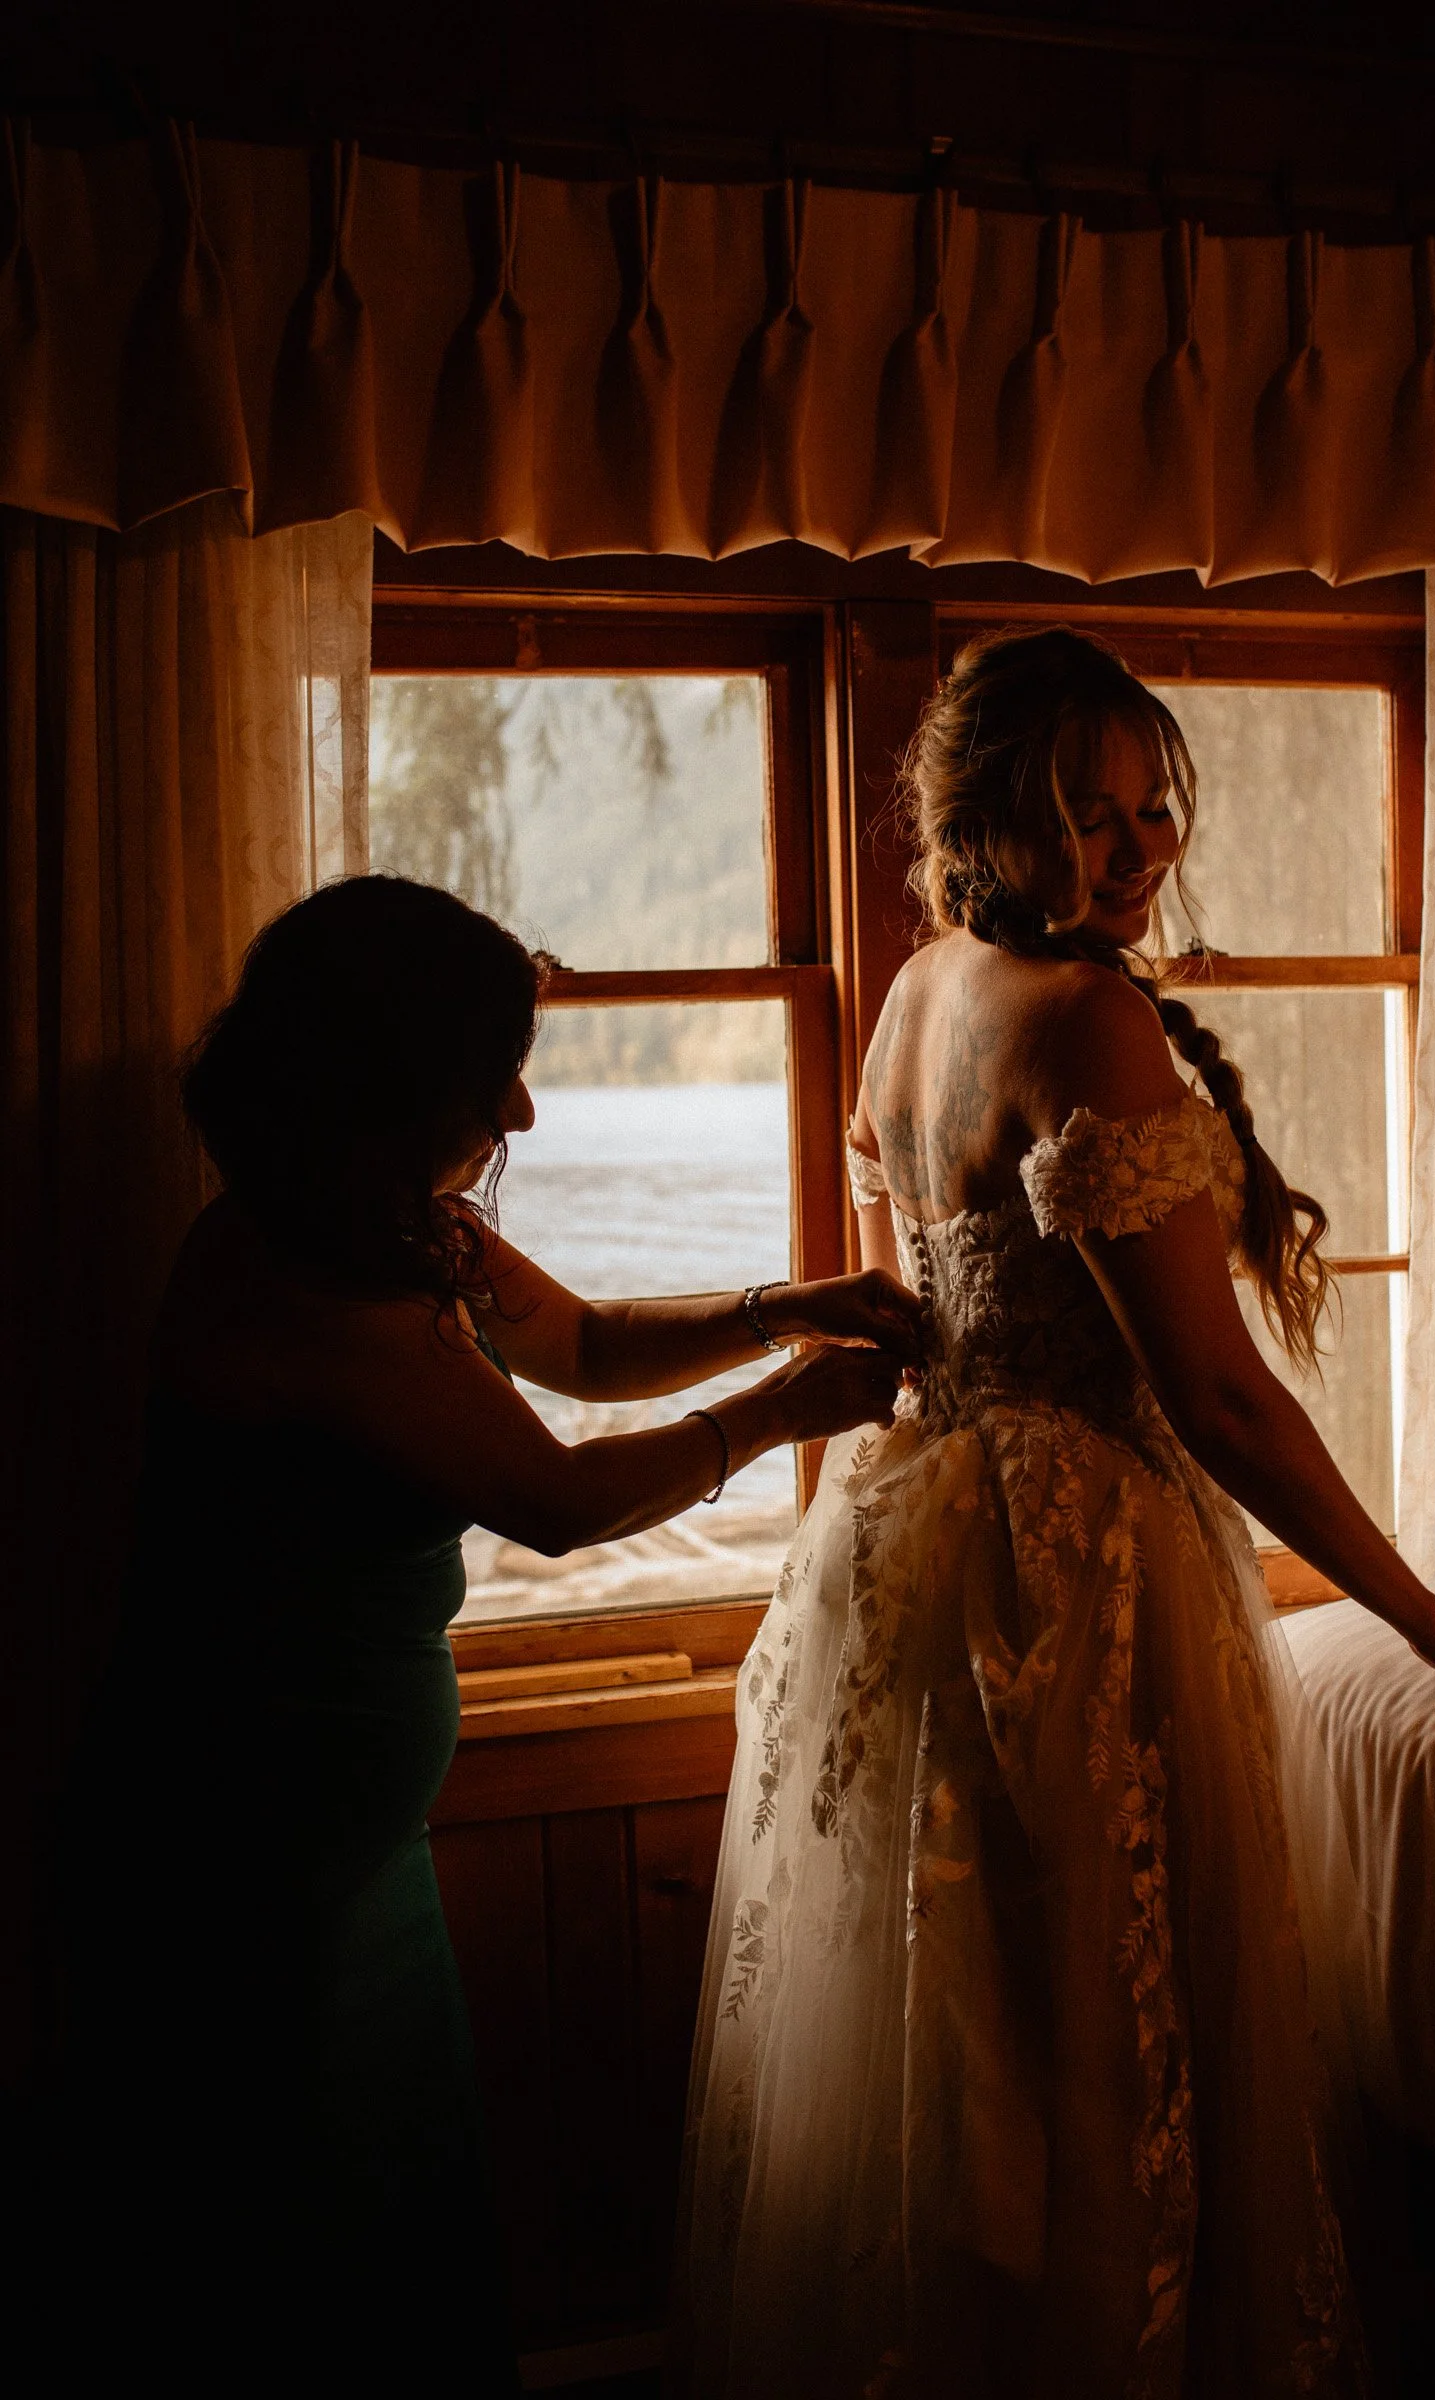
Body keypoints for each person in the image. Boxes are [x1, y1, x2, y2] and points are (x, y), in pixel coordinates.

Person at [675, 628, 1435, 2399]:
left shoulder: (915, 991)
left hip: (917, 1533)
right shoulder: (1084, 1017)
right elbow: (1216, 1396)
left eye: (1151, 814)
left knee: (970, 2050)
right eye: (1086, 818)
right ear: (982, 820)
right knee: (1110, 2043)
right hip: (1074, 1566)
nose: (1137, 856)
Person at [53, 874, 919, 2399]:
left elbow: (582, 1349)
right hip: (241, 1865)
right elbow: (558, 1501)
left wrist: (792, 1303)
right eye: (487, 1074)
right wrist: (784, 1408)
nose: (523, 1107)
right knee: (297, 2272)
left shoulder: (401, 1233)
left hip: (349, 1866)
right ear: (379, 1088)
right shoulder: (288, 1289)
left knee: (397, 2230)